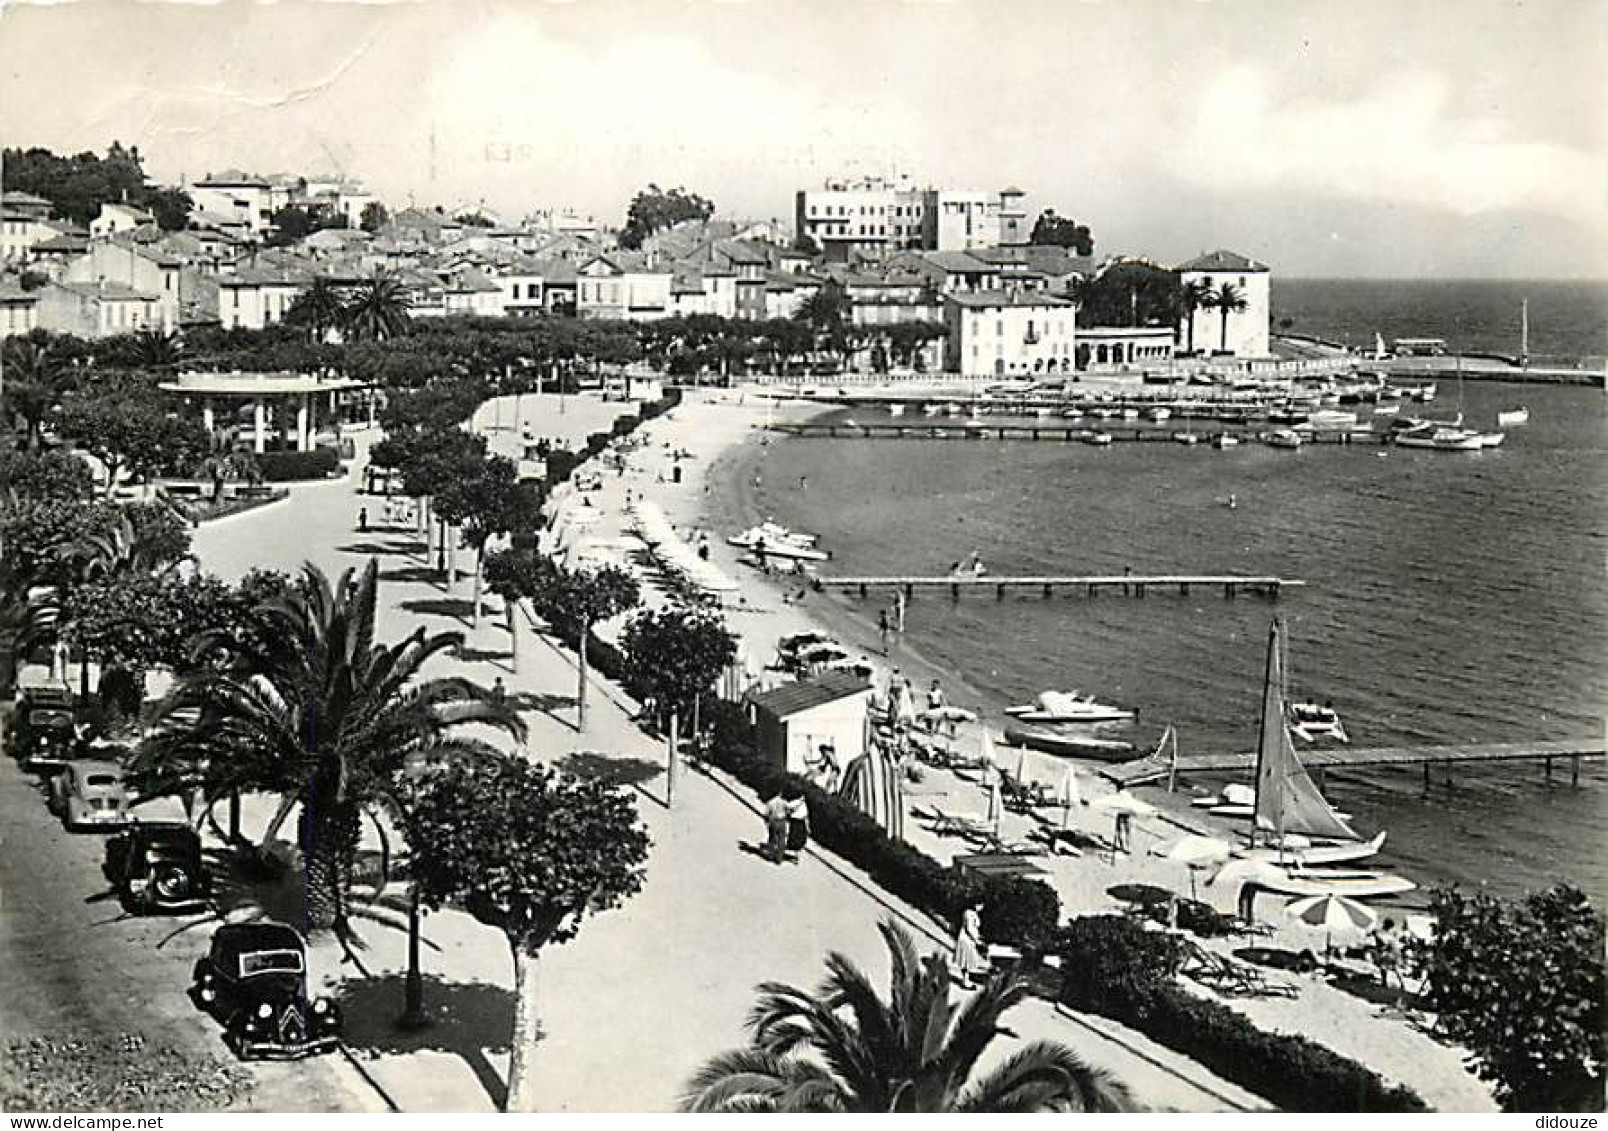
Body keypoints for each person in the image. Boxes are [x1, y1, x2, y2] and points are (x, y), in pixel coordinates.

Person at [952, 901, 990, 990]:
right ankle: (965, 982)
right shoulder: (969, 913)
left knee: (968, 961)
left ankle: (966, 980)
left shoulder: (973, 913)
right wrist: (976, 940)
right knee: (966, 961)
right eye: (980, 905)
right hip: (966, 939)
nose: (981, 907)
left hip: (970, 939)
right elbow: (969, 928)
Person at [783, 788, 811, 861]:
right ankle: (789, 853)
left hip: (800, 822)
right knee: (794, 836)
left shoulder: (803, 804)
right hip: (796, 821)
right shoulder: (797, 802)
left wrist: (807, 827)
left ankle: (793, 854)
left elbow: (805, 816)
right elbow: (788, 806)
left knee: (798, 838)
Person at [763, 790, 790, 863]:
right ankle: (779, 858)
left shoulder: (771, 802)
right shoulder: (784, 802)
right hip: (782, 821)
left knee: (772, 838)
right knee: (782, 840)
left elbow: (766, 813)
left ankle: (770, 855)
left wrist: (767, 821)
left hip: (774, 821)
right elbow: (789, 811)